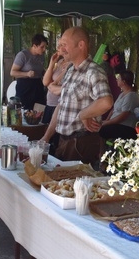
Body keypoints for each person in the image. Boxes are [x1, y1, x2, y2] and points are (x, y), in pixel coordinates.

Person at [41, 27, 113, 166]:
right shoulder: (70, 70)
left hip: (81, 144)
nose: (60, 49)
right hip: (64, 143)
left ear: (81, 45)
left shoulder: (94, 71)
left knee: (74, 187)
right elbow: (61, 105)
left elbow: (106, 101)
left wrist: (83, 114)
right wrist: (47, 136)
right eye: (59, 45)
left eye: (64, 44)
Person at [99, 70, 139, 142]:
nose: (116, 80)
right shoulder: (122, 94)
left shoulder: (131, 96)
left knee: (102, 130)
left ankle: (104, 151)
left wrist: (107, 123)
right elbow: (113, 110)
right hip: (116, 124)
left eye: (119, 78)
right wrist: (106, 120)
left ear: (123, 81)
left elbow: (124, 115)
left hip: (125, 126)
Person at [10, 33, 48, 112]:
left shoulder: (42, 56)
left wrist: (46, 73)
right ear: (34, 46)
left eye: (45, 47)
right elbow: (12, 72)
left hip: (38, 85)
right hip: (25, 85)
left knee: (40, 109)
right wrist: (26, 74)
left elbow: (40, 70)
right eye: (42, 47)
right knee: (25, 110)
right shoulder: (23, 55)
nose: (44, 49)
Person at [41, 49, 70, 124]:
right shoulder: (60, 62)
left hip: (59, 105)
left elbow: (52, 85)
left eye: (61, 45)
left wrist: (52, 85)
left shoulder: (71, 65)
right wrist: (52, 63)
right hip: (50, 103)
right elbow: (45, 82)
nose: (58, 47)